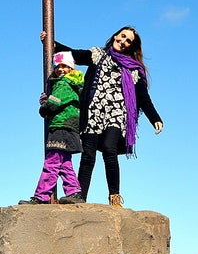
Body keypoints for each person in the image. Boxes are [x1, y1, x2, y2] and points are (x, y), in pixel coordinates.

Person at [45, 26, 163, 207]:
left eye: (128, 40)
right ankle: (79, 196)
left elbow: (143, 97)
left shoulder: (133, 69)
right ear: (115, 35)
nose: (123, 41)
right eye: (122, 36)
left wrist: (155, 118)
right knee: (88, 154)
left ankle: (114, 197)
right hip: (94, 110)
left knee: (109, 149)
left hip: (116, 112)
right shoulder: (97, 55)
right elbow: (74, 55)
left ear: (131, 46)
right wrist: (51, 42)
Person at [19, 51, 86, 204]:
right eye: (58, 66)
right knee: (64, 163)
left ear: (71, 68)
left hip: (60, 126)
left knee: (51, 162)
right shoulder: (73, 84)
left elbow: (54, 104)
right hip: (71, 127)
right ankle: (74, 191)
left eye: (65, 66)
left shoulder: (63, 83)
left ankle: (41, 196)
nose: (61, 69)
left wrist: (44, 107)